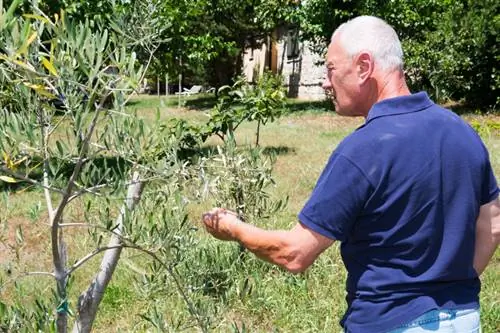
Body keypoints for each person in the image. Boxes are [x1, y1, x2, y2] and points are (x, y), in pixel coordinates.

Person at [202, 16, 500, 333]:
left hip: (390, 322)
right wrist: (453, 286)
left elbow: (293, 253)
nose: (325, 82)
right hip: (464, 320)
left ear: (363, 66)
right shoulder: (462, 132)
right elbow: (493, 226)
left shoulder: (363, 149)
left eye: (331, 68)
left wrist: (232, 227)